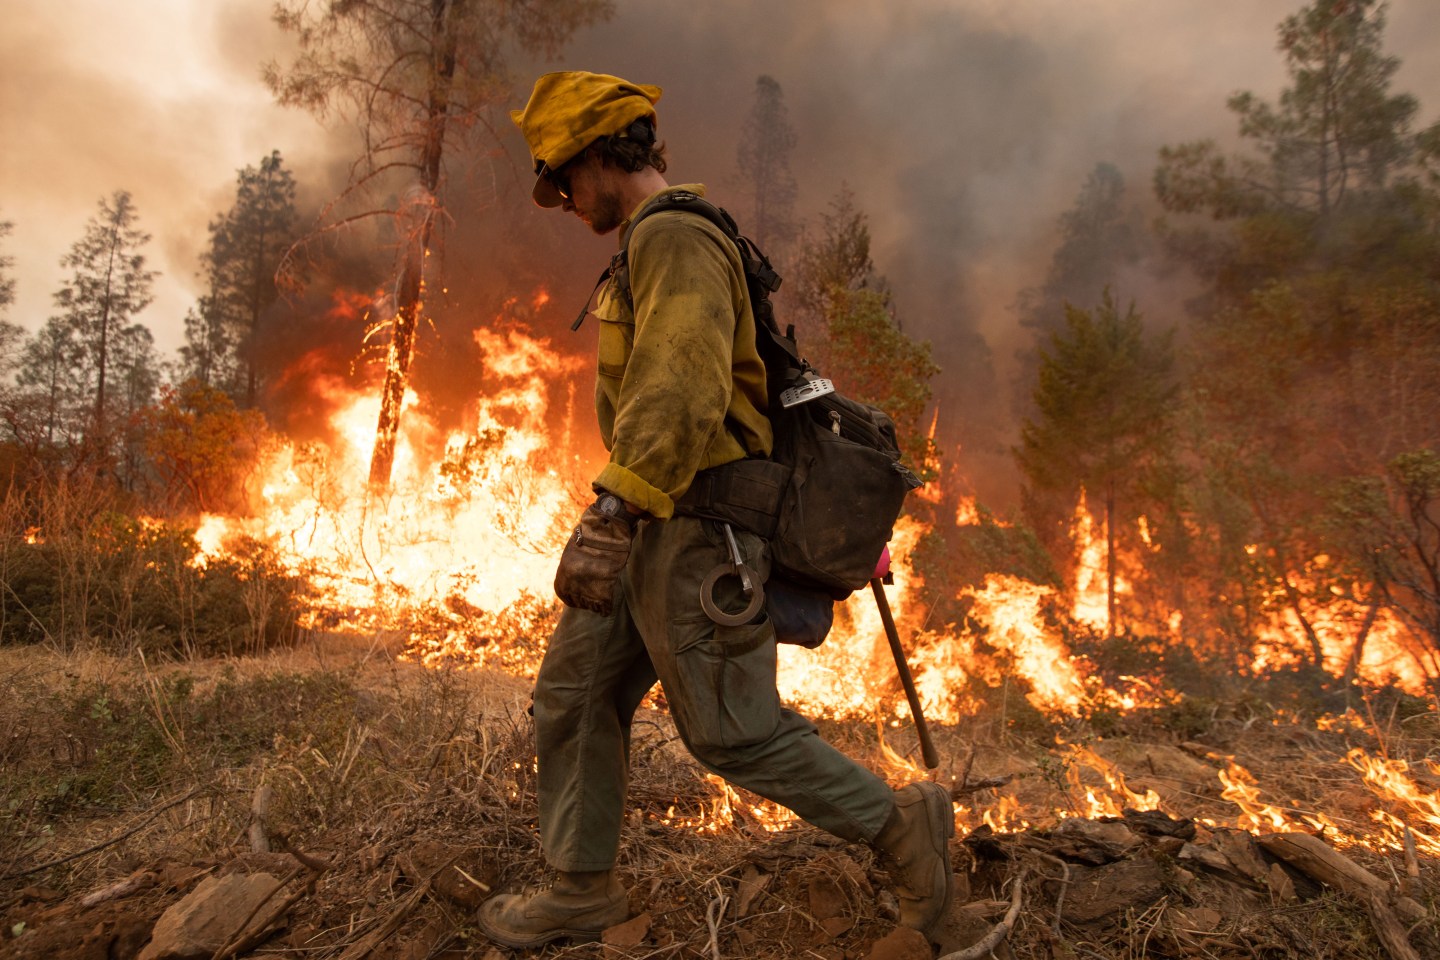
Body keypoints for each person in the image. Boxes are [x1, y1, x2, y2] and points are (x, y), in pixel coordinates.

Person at [477, 70, 954, 949]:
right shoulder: (651, 241)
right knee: (575, 697)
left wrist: (614, 509)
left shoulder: (676, 237)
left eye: (564, 176)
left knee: (732, 733)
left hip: (695, 529)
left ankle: (902, 830)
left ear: (598, 152)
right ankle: (581, 888)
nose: (564, 198)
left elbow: (682, 383)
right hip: (657, 523)